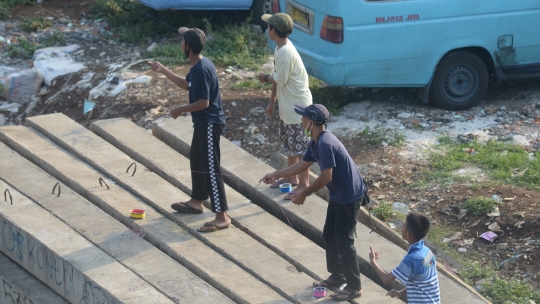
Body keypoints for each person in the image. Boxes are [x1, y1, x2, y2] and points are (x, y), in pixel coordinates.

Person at [260, 104, 365, 301]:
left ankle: (354, 286)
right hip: (339, 194)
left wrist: (304, 193)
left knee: (344, 241)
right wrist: (275, 174)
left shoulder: (325, 144)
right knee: (329, 234)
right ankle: (337, 277)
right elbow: (302, 164)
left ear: (312, 122)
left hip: (349, 196)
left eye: (303, 118)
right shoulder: (316, 142)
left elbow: (326, 176)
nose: (300, 122)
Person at [148, 27, 231, 233]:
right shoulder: (198, 66)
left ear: (187, 47)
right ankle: (196, 201)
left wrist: (180, 110)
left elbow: (204, 102)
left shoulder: (202, 69)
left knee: (211, 167)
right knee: (197, 158)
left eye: (181, 41)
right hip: (202, 122)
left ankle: (222, 216)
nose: (180, 44)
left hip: (210, 122)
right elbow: (187, 85)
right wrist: (163, 69)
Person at [257, 12, 312, 200]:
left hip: (299, 109)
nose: (266, 29)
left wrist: (263, 78)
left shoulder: (286, 52)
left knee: (301, 148)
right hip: (288, 107)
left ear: (273, 31)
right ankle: (291, 177)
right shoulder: (279, 49)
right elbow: (278, 78)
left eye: (268, 27)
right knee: (290, 144)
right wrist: (272, 101)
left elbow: (277, 78)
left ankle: (304, 184)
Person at [369, 211, 440, 303]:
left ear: (408, 235)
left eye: (403, 226)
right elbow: (422, 282)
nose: (401, 228)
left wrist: (372, 261)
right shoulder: (427, 252)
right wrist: (400, 292)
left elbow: (386, 279)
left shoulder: (411, 259)